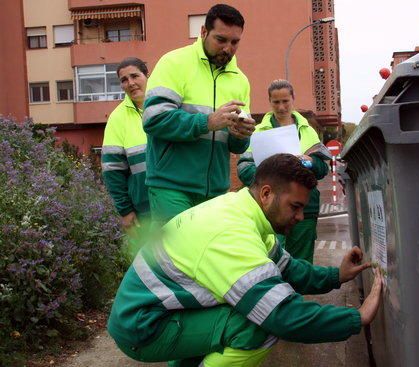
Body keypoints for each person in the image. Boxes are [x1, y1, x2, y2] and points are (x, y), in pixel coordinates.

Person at [108, 153, 383, 367]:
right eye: (295, 207)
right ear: (266, 193)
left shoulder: (246, 212)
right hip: (143, 325)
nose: (300, 217)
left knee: (242, 307)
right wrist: (355, 318)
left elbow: (287, 269)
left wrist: (337, 275)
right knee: (255, 326)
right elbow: (281, 315)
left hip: (161, 309)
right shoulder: (231, 235)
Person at [143, 4, 256, 225]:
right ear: (203, 32)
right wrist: (207, 122)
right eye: (221, 40)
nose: (227, 48)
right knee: (176, 256)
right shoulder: (174, 63)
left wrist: (241, 135)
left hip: (215, 192)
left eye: (235, 42)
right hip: (171, 186)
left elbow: (237, 147)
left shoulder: (240, 80)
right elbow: (154, 119)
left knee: (206, 258)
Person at [237, 79, 331, 263]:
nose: (281, 107)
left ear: (293, 99)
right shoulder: (258, 132)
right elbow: (244, 170)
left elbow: (322, 169)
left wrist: (310, 162)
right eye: (276, 102)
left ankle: (297, 294)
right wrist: (272, 175)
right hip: (270, 209)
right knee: (271, 262)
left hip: (305, 207)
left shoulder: (308, 131)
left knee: (302, 264)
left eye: (285, 101)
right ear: (269, 102)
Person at [101, 57, 150, 256]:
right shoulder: (117, 118)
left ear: (148, 75)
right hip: (143, 211)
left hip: (176, 201)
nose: (130, 83)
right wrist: (125, 211)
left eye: (135, 76)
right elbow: (112, 170)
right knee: (150, 264)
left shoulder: (168, 107)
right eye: (124, 80)